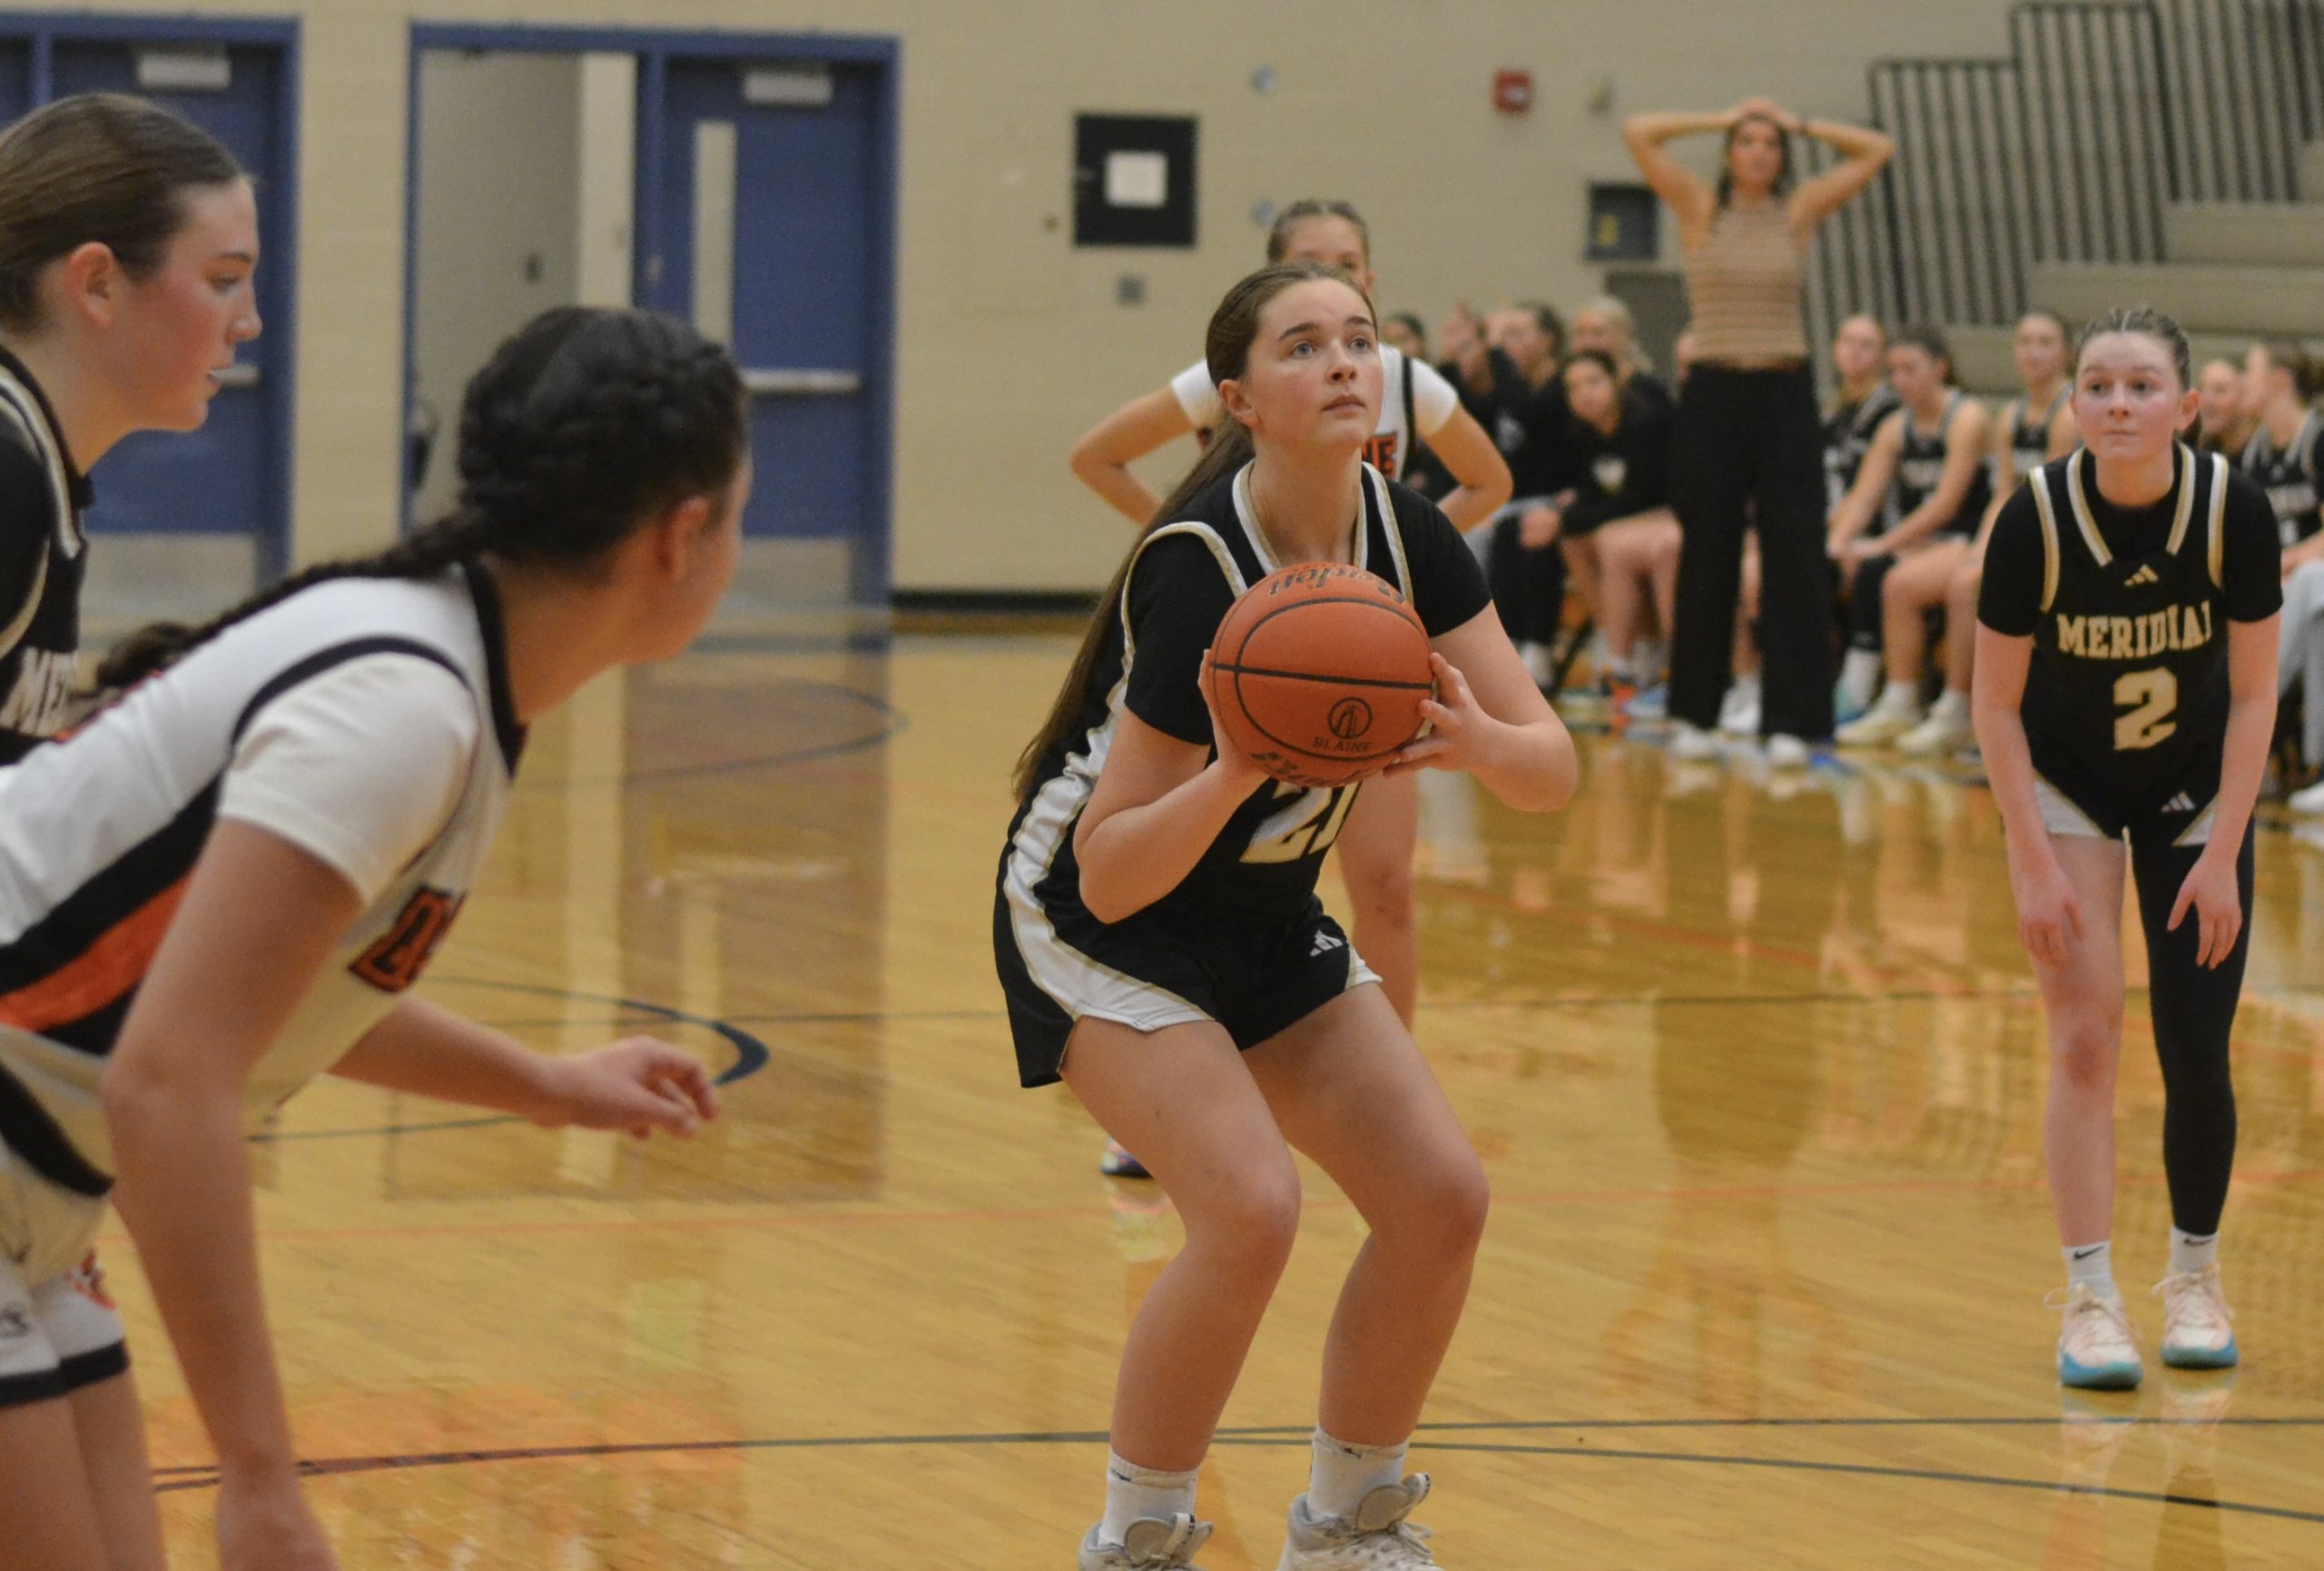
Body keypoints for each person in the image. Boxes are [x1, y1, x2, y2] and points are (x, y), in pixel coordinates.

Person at [0, 307, 739, 1571]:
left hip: (40, 1204)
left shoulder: (439, 670)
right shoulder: (403, 707)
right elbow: (169, 1080)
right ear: (681, 534)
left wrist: (546, 1085)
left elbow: (258, 998)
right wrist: (259, 1476)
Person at [999, 262, 1575, 1570]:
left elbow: (1551, 770)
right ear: (1241, 400)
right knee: (1251, 1208)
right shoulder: (1198, 566)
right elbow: (1109, 872)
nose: (1343, 362)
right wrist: (1234, 771)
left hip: (1259, 912)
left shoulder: (1407, 536)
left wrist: (1481, 740)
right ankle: (1138, 1537)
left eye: (1358, 339)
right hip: (1094, 919)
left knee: (1442, 1196)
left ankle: (1347, 1522)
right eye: (1304, 345)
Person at [1068, 200, 1511, 1041]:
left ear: (1370, 281)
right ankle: (1163, 1053)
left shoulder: (1404, 384)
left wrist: (1397, 577)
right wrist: (1180, 541)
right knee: (1196, 872)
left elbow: (1492, 482)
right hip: (1250, 650)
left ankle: (1383, 1073)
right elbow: (1097, 456)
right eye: (1313, 261)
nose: (1334, 278)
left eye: (1348, 265)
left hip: (1368, 659)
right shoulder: (1234, 387)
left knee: (1387, 890)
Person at [1972, 307, 2279, 1391]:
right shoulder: (2033, 518)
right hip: (2069, 783)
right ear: (2071, 403)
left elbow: (2254, 695)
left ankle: (2194, 1277)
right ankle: (2090, 1297)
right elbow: (1992, 703)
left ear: (2185, 407)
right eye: (2097, 385)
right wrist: (2030, 856)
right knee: (2083, 1036)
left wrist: (2223, 848)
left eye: (2141, 386)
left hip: (2196, 786)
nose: (2116, 403)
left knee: (2195, 1043)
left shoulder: (2232, 510)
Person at [1623, 94, 1894, 767]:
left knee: (1794, 554)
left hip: (1784, 393)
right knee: (1707, 553)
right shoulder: (1698, 206)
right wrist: (1721, 116)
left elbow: (1876, 150)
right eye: (1747, 142)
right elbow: (1639, 131)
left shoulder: (1796, 210)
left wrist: (1796, 121)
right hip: (1714, 394)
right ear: (1728, 153)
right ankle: (1695, 713)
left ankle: (1792, 722)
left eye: (1771, 144)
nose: (1759, 152)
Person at [0, 93, 258, 764]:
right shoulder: (6, 473)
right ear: (97, 283)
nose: (249, 322)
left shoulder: (35, 463)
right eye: (224, 279)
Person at [1902, 310, 2080, 756]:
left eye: (2045, 342)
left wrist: (2000, 557)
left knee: (1969, 588)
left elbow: (2050, 500)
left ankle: (1967, 710)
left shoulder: (2069, 413)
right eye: (2025, 342)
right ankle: (1943, 706)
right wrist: (1984, 548)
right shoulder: (2010, 416)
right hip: (2024, 536)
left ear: (2067, 353)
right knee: (1959, 578)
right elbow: (2001, 495)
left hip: (2065, 541)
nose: (2033, 352)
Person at [1830, 327, 1994, 746]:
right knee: (1848, 568)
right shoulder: (1895, 426)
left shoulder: (1967, 417)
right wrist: (1837, 543)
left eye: (1910, 369)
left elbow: (1945, 505)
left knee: (1894, 581)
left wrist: (1882, 544)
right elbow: (1863, 497)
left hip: (1965, 535)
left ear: (1940, 368)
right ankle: (1890, 697)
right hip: (1922, 541)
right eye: (1895, 371)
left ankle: (1934, 703)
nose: (1901, 380)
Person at [1525, 349, 1678, 717]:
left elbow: (1637, 496)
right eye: (1574, 388)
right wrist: (1560, 515)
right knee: (1574, 541)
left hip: (1670, 513)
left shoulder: (1646, 423)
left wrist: (1563, 519)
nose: (1584, 394)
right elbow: (1596, 491)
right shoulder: (1585, 433)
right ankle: (1616, 645)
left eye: (1593, 382)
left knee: (1606, 539)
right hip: (1634, 519)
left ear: (1617, 382)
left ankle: (1625, 663)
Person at [2192, 356, 2252, 459]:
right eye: (2202, 390)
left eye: (2220, 390)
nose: (2206, 401)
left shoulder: (2263, 455)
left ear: (2244, 396)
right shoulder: (2201, 452)